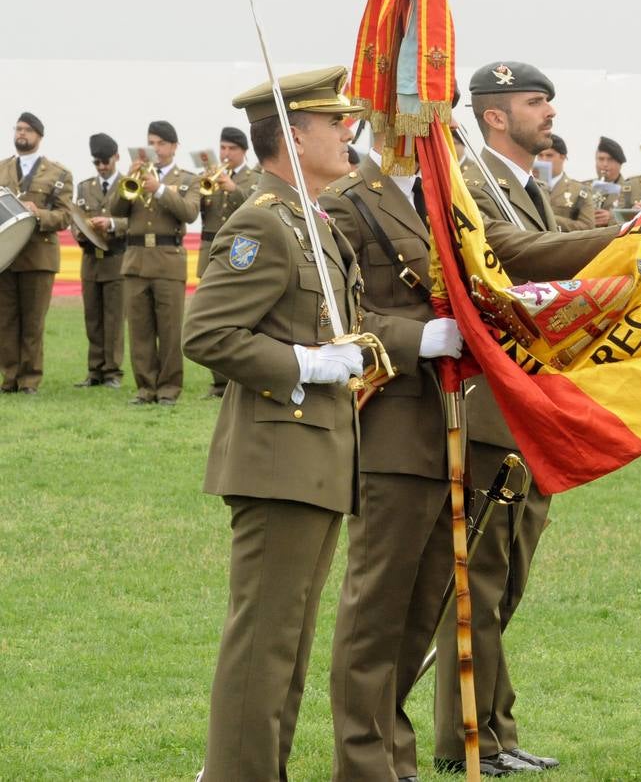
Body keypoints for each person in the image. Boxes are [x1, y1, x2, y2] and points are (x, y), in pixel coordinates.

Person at [321, 122, 616, 782]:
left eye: (440, 115)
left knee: (421, 611)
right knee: (376, 610)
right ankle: (365, 762)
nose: (433, 129)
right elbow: (328, 315)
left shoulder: (446, 201)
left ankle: (391, 754)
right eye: (416, 112)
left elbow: (501, 258)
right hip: (392, 430)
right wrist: (416, 338)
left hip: (450, 425)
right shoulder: (347, 200)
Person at [184, 66, 375, 782]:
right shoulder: (264, 220)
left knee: (286, 645)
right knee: (264, 642)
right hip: (280, 459)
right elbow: (208, 334)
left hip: (317, 462)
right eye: (334, 123)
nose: (347, 130)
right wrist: (304, 363)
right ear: (294, 138)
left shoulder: (309, 219)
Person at [434, 59, 587, 776]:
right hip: (489, 407)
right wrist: (630, 239)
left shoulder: (529, 188)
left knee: (509, 577)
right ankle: (470, 739)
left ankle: (497, 728)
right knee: (481, 579)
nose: (549, 111)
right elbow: (514, 258)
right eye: (536, 101)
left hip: (533, 410)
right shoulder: (471, 180)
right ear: (495, 115)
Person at [111, 120, 200, 405]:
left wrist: (160, 189)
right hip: (136, 261)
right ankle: (145, 388)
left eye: (162, 143)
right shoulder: (136, 175)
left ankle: (169, 389)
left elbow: (189, 213)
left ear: (174, 147)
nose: (156, 148)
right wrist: (129, 177)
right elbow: (115, 209)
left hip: (168, 262)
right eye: (152, 143)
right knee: (140, 329)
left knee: (170, 329)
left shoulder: (188, 179)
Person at [0, 111, 72, 394]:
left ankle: (29, 379)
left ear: (39, 137)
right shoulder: (2, 168)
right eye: (18, 129)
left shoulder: (58, 174)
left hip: (38, 258)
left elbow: (65, 216)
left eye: (27, 130)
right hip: (6, 257)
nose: (21, 134)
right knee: (5, 320)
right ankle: (10, 377)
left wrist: (38, 213)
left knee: (32, 322)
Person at [197, 126, 261, 397]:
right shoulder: (210, 177)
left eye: (231, 149)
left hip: (239, 253)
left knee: (238, 319)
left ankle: (237, 380)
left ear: (243, 151)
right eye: (222, 148)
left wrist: (233, 188)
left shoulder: (253, 177)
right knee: (211, 318)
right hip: (210, 252)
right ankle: (218, 382)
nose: (225, 153)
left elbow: (254, 204)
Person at [72, 133, 126, 388]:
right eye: (97, 163)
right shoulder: (84, 187)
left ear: (116, 156)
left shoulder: (128, 185)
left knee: (114, 320)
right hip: (91, 261)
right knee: (92, 318)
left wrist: (112, 224)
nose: (102, 167)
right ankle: (94, 371)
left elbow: (134, 221)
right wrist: (81, 231)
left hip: (116, 260)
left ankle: (113, 372)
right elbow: (76, 218)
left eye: (106, 161)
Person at [539, 134, 594, 231]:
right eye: (540, 155)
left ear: (562, 157)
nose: (543, 160)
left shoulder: (579, 191)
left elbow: (588, 226)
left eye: (549, 155)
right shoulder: (529, 185)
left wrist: (550, 219)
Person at [589, 135, 628, 226]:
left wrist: (612, 218)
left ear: (620, 163)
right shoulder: (584, 187)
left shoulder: (631, 188)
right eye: (601, 159)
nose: (605, 164)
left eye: (610, 160)